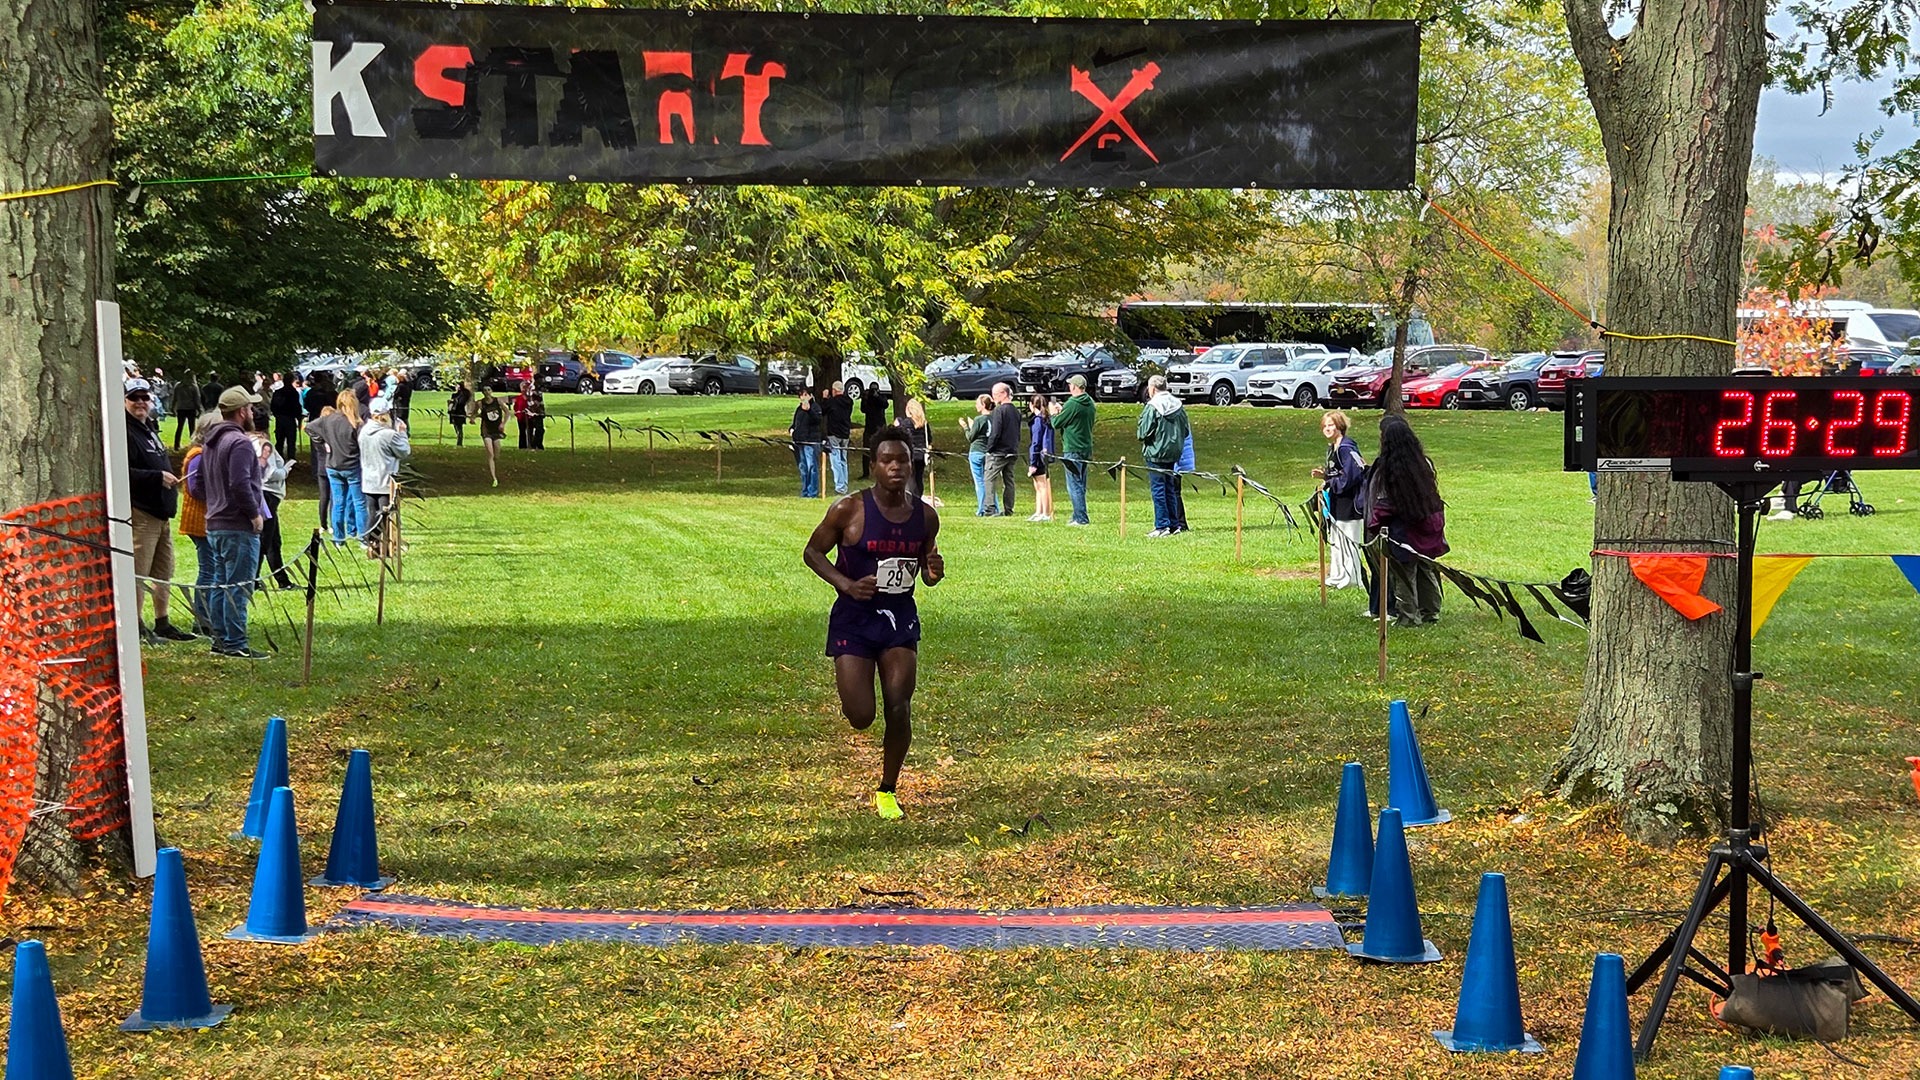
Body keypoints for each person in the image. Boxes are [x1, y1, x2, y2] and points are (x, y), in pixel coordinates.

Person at [803, 426, 944, 820]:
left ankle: (887, 788)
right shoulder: (849, 509)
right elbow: (812, 552)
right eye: (887, 460)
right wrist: (846, 584)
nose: (896, 467)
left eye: (902, 460)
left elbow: (926, 569)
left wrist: (933, 572)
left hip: (899, 619)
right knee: (861, 714)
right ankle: (857, 702)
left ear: (911, 465)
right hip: (854, 618)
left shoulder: (925, 517)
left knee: (899, 706)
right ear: (874, 464)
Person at [189, 387, 270, 659]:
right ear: (241, 411)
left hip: (215, 523)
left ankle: (220, 640)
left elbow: (199, 484)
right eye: (250, 408)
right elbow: (240, 483)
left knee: (220, 584)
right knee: (238, 586)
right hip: (237, 525)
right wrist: (254, 514)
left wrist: (216, 501)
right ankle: (235, 643)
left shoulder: (210, 443)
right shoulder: (239, 443)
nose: (253, 413)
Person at [123, 380, 196, 643]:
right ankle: (135, 626)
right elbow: (122, 471)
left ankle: (162, 622)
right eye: (134, 398)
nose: (140, 402)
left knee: (163, 571)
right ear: (125, 400)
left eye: (144, 397)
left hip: (162, 513)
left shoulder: (149, 427)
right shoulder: (124, 431)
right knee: (139, 572)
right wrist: (157, 478)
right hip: (142, 512)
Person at [1367, 414, 1448, 628]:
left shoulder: (1388, 469)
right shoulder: (1424, 463)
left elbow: (1386, 503)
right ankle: (1430, 612)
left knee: (1404, 573)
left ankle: (1409, 617)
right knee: (1425, 569)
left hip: (1404, 530)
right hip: (1428, 524)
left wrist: (1374, 524)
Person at [1310, 410, 1367, 589]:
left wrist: (1331, 482)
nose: (1327, 429)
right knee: (1336, 538)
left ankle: (1352, 578)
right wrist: (1325, 476)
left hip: (1350, 501)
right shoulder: (1333, 448)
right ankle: (1337, 575)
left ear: (1340, 426)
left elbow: (1352, 475)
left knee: (1349, 539)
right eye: (1325, 426)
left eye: (1331, 425)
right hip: (1337, 500)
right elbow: (1337, 474)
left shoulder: (1346, 448)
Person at [1135, 375, 1191, 537]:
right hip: (1173, 453)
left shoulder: (1153, 406)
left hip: (1156, 453)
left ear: (1152, 389)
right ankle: (1174, 524)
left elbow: (1143, 433)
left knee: (1158, 489)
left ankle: (1161, 525)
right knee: (1170, 488)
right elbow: (1185, 430)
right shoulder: (1178, 405)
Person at [310, 391, 366, 544]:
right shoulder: (356, 423)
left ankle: (338, 538)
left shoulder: (328, 419)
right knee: (359, 503)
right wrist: (323, 442)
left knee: (338, 503)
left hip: (333, 466)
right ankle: (363, 538)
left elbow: (309, 427)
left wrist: (322, 442)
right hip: (352, 466)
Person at [359, 398, 412, 559]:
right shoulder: (388, 435)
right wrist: (402, 433)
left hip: (369, 481)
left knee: (373, 513)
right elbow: (404, 451)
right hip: (385, 482)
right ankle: (382, 544)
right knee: (386, 517)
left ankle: (372, 543)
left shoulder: (364, 432)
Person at [178, 421, 215, 636]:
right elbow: (194, 489)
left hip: (207, 519)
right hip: (200, 521)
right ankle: (202, 621)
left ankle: (207, 618)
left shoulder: (205, 454)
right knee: (208, 570)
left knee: (212, 569)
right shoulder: (198, 456)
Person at [250, 426, 295, 590]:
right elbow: (269, 473)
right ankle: (252, 579)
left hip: (263, 494)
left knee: (273, 541)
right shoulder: (264, 444)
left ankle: (282, 580)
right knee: (265, 540)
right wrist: (285, 470)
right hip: (267, 496)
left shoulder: (249, 442)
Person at [1049, 374, 1095, 526]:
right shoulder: (1089, 402)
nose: (1069, 387)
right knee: (1081, 483)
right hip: (1086, 446)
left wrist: (1054, 413)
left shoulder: (1073, 403)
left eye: (1070, 384)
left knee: (1074, 484)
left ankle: (1081, 518)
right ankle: (1077, 514)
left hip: (1073, 447)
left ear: (1074, 386)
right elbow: (1075, 417)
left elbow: (1056, 423)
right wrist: (1063, 410)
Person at [984, 382, 1022, 516]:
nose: (993, 397)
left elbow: (995, 432)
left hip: (998, 452)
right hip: (1012, 450)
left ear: (1004, 394)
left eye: (995, 394)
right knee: (1009, 480)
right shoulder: (1016, 411)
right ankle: (1008, 509)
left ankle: (990, 508)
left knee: (989, 478)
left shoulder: (999, 411)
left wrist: (989, 449)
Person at [960, 394, 993, 516]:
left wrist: (966, 427)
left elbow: (971, 437)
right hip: (988, 452)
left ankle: (982, 509)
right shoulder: (994, 418)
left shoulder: (979, 419)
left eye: (977, 403)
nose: (976, 406)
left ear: (983, 405)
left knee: (979, 482)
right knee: (989, 482)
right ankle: (994, 506)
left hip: (977, 451)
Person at [305, 402, 334, 528]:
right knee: (332, 497)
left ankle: (323, 524)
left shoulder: (316, 434)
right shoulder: (332, 435)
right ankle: (332, 523)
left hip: (321, 467)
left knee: (324, 497)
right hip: (331, 465)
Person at [790, 386, 823, 498]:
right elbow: (795, 423)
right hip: (800, 441)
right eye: (801, 395)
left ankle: (812, 491)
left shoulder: (815, 407)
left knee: (812, 467)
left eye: (805, 395)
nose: (802, 397)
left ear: (810, 396)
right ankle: (805, 491)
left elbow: (817, 420)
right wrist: (792, 430)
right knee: (803, 468)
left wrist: (809, 410)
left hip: (811, 442)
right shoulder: (799, 409)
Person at [1026, 394, 1055, 522]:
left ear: (1032, 405)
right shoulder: (1045, 418)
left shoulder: (1038, 420)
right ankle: (1038, 511)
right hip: (1042, 454)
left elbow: (1036, 441)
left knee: (1042, 485)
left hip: (1038, 455)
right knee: (1038, 485)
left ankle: (1045, 513)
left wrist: (1033, 462)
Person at [822, 380, 854, 495]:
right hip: (845, 433)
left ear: (834, 390)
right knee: (843, 460)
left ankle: (840, 486)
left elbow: (823, 410)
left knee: (836, 460)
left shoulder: (832, 402)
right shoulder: (849, 401)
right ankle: (844, 484)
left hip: (834, 433)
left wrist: (825, 398)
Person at [859, 384, 890, 479]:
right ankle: (866, 472)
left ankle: (883, 470)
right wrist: (864, 398)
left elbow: (885, 405)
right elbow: (863, 409)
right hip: (869, 427)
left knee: (882, 449)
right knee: (866, 450)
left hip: (879, 427)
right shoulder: (868, 397)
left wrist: (877, 397)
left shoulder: (881, 397)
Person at [476, 389, 506, 486]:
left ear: (491, 391)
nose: (487, 392)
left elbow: (507, 412)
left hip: (496, 429)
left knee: (496, 454)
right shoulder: (480, 403)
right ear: (483, 392)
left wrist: (503, 424)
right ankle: (494, 478)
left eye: (488, 390)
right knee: (490, 453)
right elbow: (474, 413)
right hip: (486, 430)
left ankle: (495, 467)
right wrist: (473, 418)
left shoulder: (498, 401)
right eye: (485, 390)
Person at [903, 399, 931, 500]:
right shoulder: (924, 423)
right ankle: (918, 498)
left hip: (910, 454)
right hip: (921, 455)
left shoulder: (906, 423)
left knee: (910, 479)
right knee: (919, 478)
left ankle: (911, 499)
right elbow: (929, 439)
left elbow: (902, 437)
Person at [270, 374, 301, 462]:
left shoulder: (278, 392)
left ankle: (279, 459)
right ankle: (291, 460)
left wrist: (277, 415)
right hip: (289, 419)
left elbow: (273, 406)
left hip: (280, 419)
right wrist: (298, 416)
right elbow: (296, 406)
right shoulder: (293, 393)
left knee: (280, 441)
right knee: (291, 441)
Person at [172, 371, 200, 448]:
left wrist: (173, 407)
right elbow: (196, 399)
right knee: (192, 428)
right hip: (191, 408)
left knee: (179, 427)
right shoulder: (194, 387)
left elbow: (174, 398)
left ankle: (176, 445)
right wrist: (199, 409)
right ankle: (193, 445)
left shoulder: (178, 385)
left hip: (180, 408)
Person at [449, 381, 474, 447]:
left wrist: (454, 401)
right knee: (456, 427)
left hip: (459, 412)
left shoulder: (463, 395)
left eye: (457, 386)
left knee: (459, 427)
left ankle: (459, 442)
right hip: (453, 412)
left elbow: (461, 403)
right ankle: (459, 440)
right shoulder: (454, 395)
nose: (456, 387)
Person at [513, 384, 532, 449]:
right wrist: (518, 413)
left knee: (530, 431)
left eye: (526, 388)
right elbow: (516, 407)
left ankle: (530, 444)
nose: (525, 389)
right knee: (522, 431)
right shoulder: (519, 398)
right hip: (521, 417)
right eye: (523, 388)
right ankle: (522, 446)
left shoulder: (530, 398)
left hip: (529, 417)